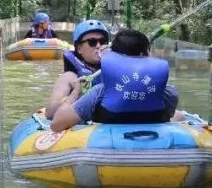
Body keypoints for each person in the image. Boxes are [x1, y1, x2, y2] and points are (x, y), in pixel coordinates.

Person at [51, 29, 181, 131]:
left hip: (107, 151)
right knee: (180, 116)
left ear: (114, 55)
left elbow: (56, 124)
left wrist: (76, 92)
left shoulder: (100, 92)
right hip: (155, 150)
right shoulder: (169, 93)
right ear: (146, 55)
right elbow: (167, 117)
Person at [45, 19, 109, 120]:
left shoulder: (115, 72)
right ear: (79, 48)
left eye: (102, 42)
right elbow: (50, 113)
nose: (98, 46)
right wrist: (76, 93)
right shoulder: (69, 77)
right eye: (92, 42)